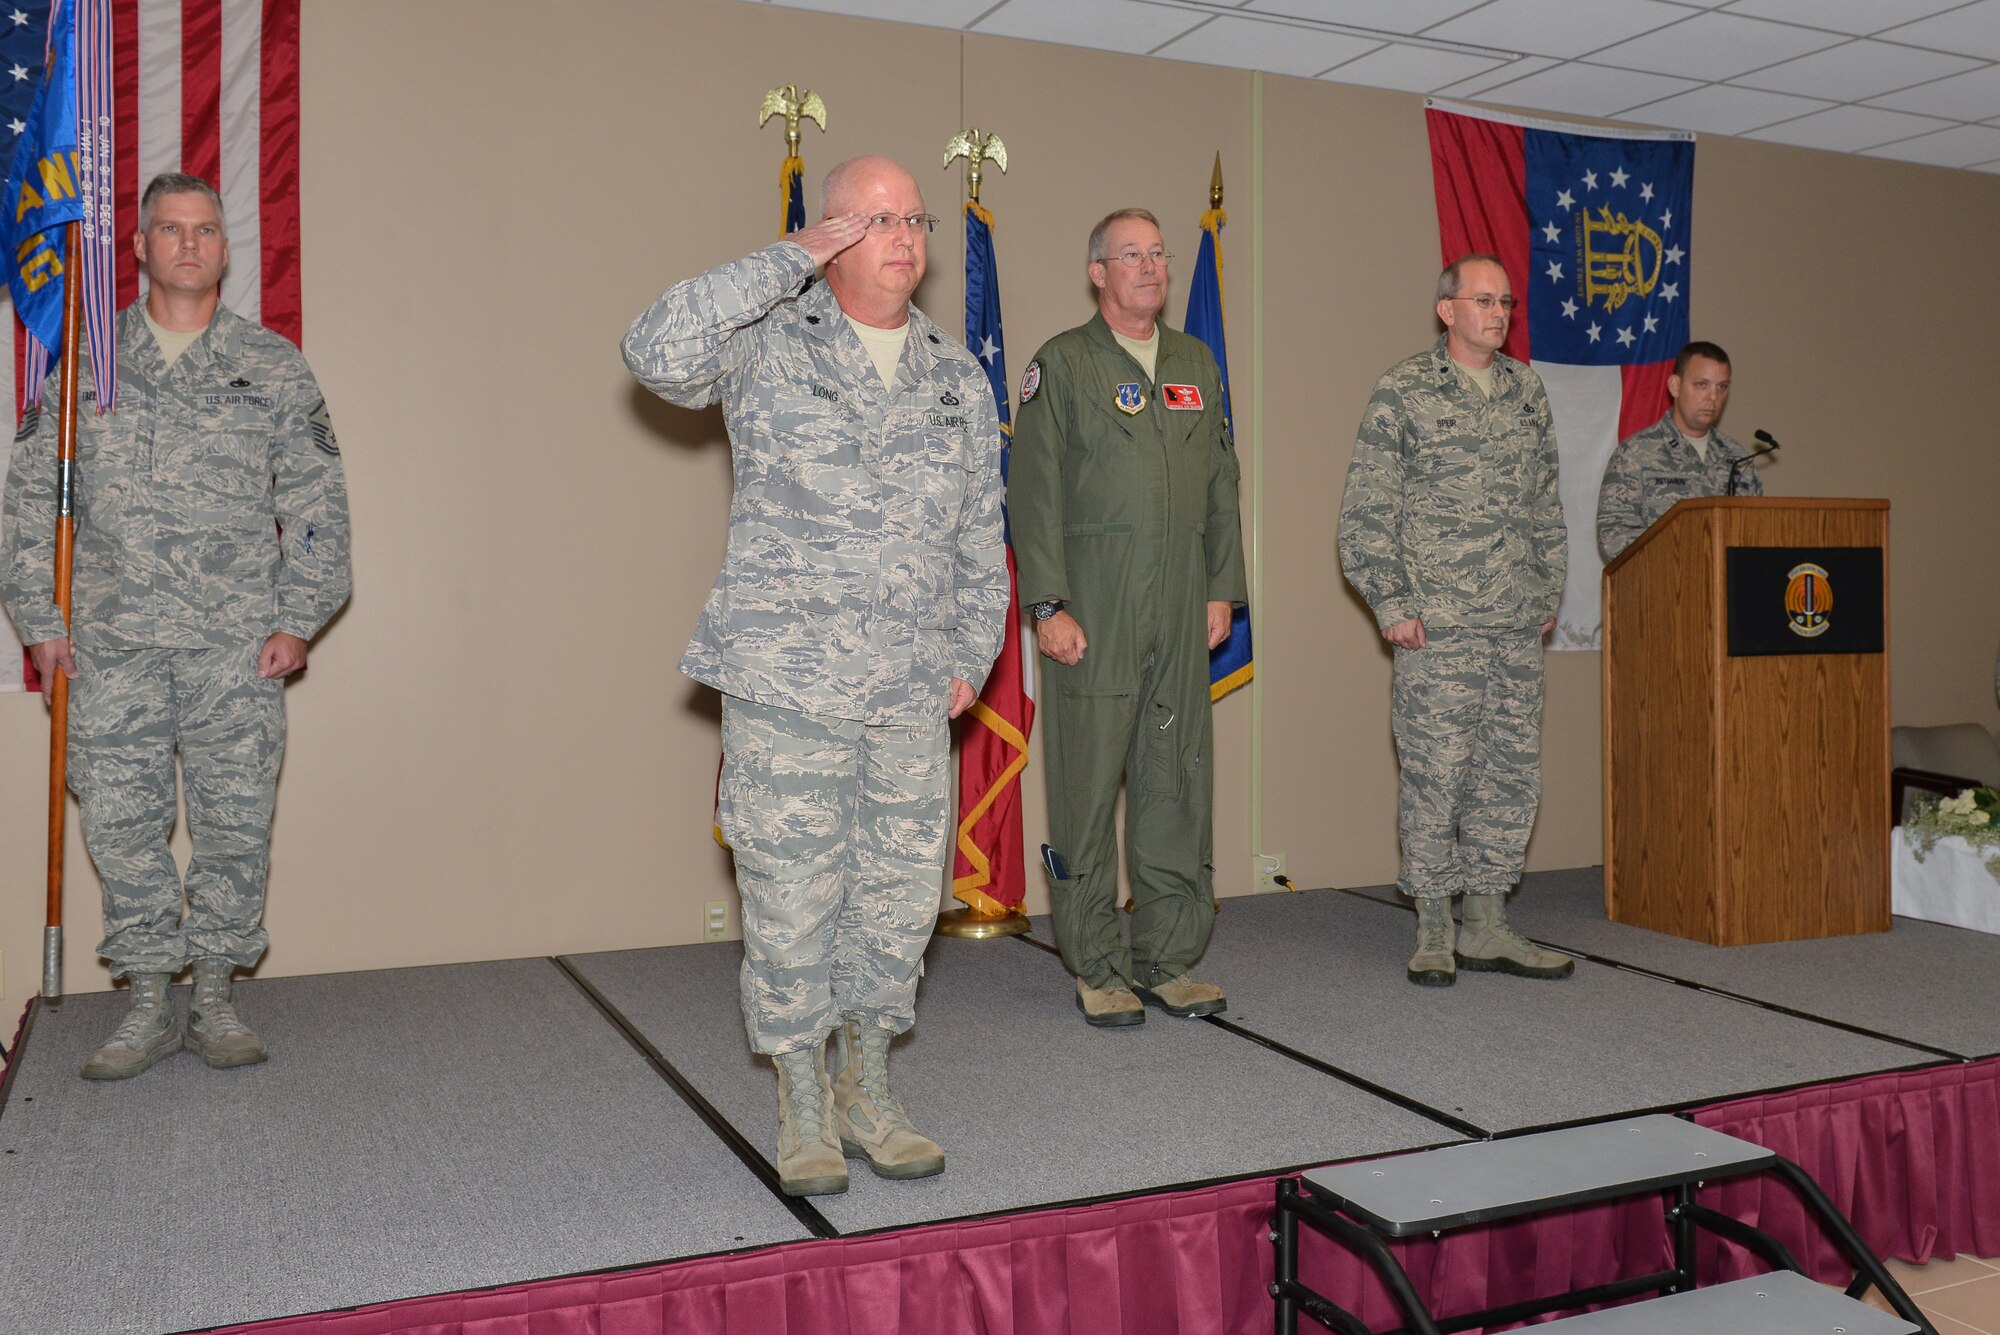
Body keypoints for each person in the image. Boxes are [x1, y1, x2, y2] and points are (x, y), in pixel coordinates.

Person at [621, 156, 1007, 1197]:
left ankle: (866, 1086)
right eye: (873, 218)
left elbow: (981, 538)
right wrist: (784, 258)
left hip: (908, 693)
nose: (903, 235)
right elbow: (652, 348)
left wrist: (969, 660)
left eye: (913, 218)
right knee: (790, 901)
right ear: (831, 233)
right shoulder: (763, 346)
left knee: (893, 905)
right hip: (788, 683)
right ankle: (801, 1097)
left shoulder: (953, 376)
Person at [0, 172, 351, 1077]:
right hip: (109, 646)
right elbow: (28, 503)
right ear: (142, 248)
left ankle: (217, 999)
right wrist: (40, 621)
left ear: (226, 250)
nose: (188, 244)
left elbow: (316, 504)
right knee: (121, 823)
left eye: (205, 230)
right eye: (170, 229)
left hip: (237, 648)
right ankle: (151, 1000)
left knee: (235, 824)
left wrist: (299, 617)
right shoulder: (83, 363)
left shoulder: (271, 366)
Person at [1008, 208, 1247, 1028]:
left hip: (1183, 599)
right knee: (1086, 785)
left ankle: (1168, 955)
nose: (1149, 267)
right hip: (1095, 604)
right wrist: (1047, 602)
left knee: (1174, 777)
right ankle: (1097, 961)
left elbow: (1222, 480)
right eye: (1130, 255)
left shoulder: (1195, 361)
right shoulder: (1063, 364)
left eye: (1158, 254)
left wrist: (1223, 586)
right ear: (1097, 272)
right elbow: (1032, 493)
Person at [1337, 254, 1574, 988]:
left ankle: (1488, 922)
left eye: (1505, 302)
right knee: (1436, 774)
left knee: (1508, 774)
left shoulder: (1525, 389)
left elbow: (1544, 504)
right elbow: (1366, 510)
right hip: (1438, 623)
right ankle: (1435, 925)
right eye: (1482, 300)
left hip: (1512, 620)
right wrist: (1393, 603)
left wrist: (1545, 594)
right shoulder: (1404, 390)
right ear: (1448, 310)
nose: (1498, 313)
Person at [1597, 341, 1761, 560]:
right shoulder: (1635, 454)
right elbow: (1614, 537)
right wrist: (1678, 559)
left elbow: (1758, 534)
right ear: (1675, 386)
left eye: (1721, 387)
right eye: (1702, 385)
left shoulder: (1739, 460)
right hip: (1660, 586)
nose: (1713, 397)